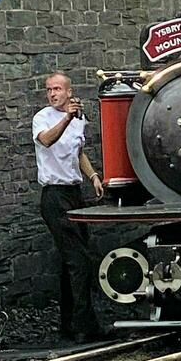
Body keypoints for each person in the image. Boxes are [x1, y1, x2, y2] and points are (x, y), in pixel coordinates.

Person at [33, 73, 104, 342]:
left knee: (71, 262)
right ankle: (85, 327)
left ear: (69, 91)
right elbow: (47, 140)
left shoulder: (79, 120)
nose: (52, 94)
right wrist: (66, 118)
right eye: (49, 90)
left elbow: (79, 152)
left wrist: (93, 176)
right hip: (54, 197)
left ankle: (69, 324)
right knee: (80, 261)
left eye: (57, 89)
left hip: (74, 194)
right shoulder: (42, 118)